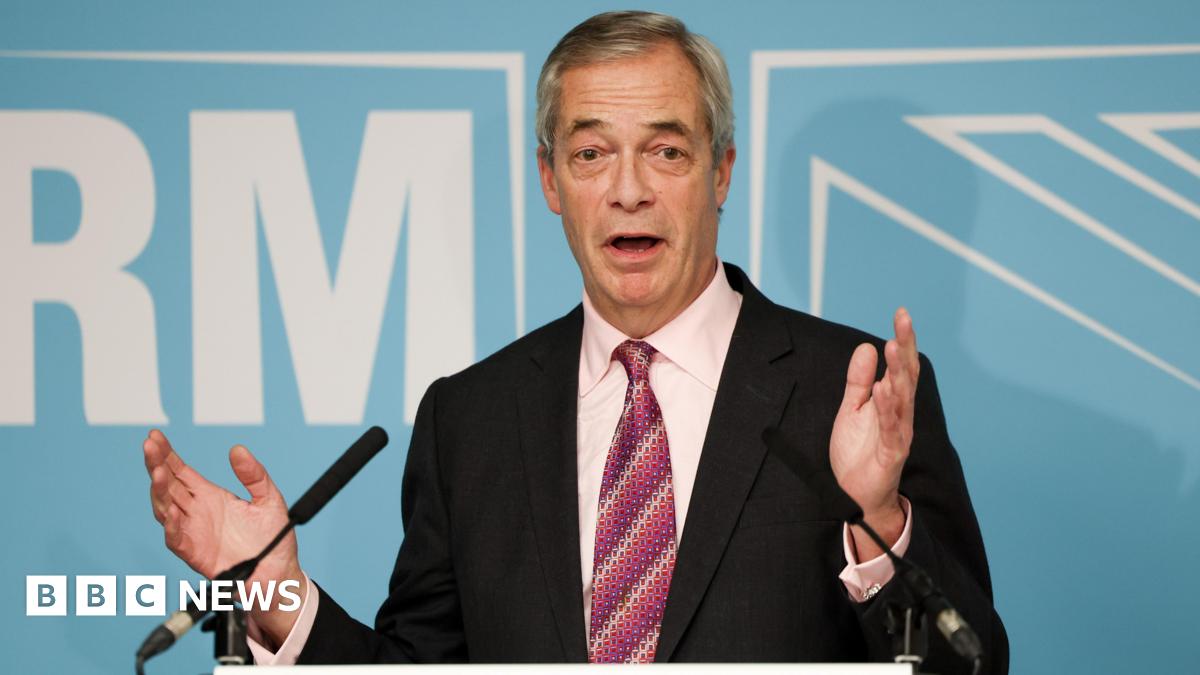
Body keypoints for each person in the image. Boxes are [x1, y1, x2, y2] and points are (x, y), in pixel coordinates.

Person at [143, 10, 1007, 672]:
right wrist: (278, 596)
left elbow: (973, 661)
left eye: (666, 151)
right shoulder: (468, 419)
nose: (627, 190)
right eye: (592, 154)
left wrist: (882, 524)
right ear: (551, 179)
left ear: (722, 171)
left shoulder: (850, 390)